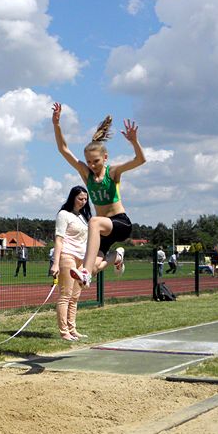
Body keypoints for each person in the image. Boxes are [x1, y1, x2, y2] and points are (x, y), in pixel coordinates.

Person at [52, 102, 146, 287]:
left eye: (95, 161)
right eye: (88, 162)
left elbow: (140, 160)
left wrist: (134, 141)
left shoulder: (113, 172)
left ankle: (85, 273)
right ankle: (116, 257)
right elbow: (64, 149)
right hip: (103, 230)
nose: (92, 165)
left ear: (105, 158)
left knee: (93, 222)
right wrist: (56, 124)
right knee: (95, 266)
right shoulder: (87, 174)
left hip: (120, 223)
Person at [50, 186, 91, 341]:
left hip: (81, 258)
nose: (83, 201)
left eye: (85, 199)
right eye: (80, 198)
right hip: (67, 256)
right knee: (65, 295)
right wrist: (55, 263)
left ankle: (73, 329)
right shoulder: (64, 215)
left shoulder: (83, 217)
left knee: (75, 297)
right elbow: (59, 240)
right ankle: (64, 331)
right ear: (73, 198)